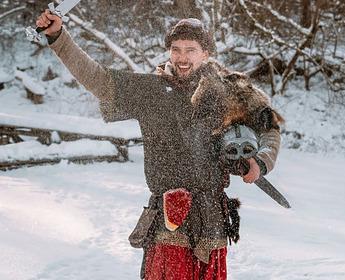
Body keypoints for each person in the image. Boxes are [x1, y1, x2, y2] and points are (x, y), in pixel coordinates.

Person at [36, 10, 280, 280]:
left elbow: (269, 128)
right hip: (169, 219)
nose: (182, 57)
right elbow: (98, 79)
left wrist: (261, 162)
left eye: (191, 49)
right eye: (176, 49)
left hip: (212, 220)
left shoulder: (230, 92)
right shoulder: (150, 91)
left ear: (206, 53)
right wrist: (58, 37)